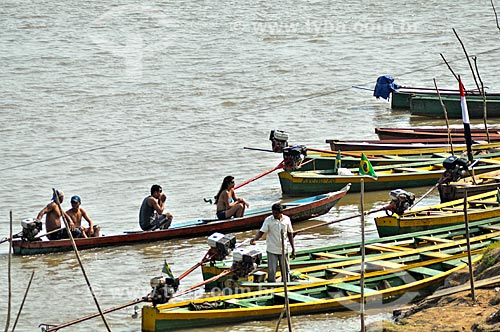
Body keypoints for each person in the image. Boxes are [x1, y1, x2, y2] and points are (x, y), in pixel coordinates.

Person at [250, 203, 296, 282]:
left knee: (286, 271)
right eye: (273, 213)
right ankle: (272, 286)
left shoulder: (286, 220)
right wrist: (254, 239)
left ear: (281, 212)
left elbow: (290, 234)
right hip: (272, 250)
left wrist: (293, 249)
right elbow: (261, 232)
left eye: (276, 213)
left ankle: (286, 285)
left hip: (283, 250)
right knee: (271, 271)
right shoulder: (268, 220)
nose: (274, 215)